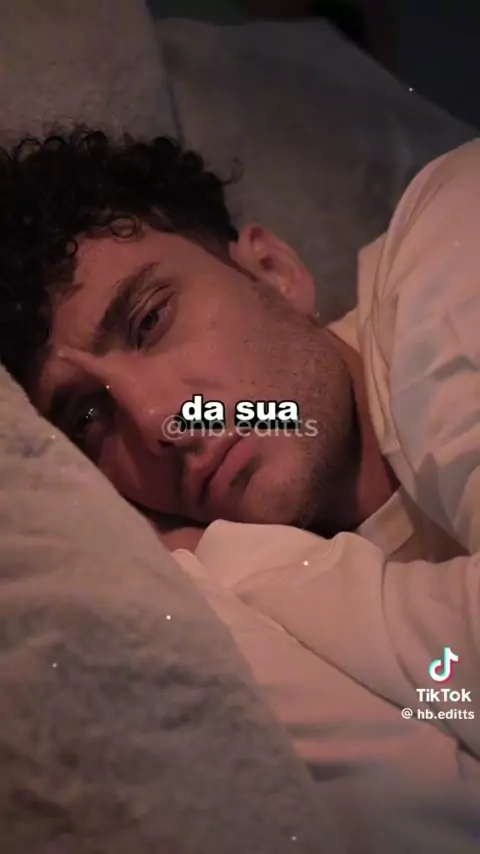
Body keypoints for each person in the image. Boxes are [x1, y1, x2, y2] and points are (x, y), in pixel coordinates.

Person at [1, 128, 480, 850]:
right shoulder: (211, 595)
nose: (156, 421)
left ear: (272, 270)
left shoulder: (449, 246)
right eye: (88, 418)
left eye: (150, 320)